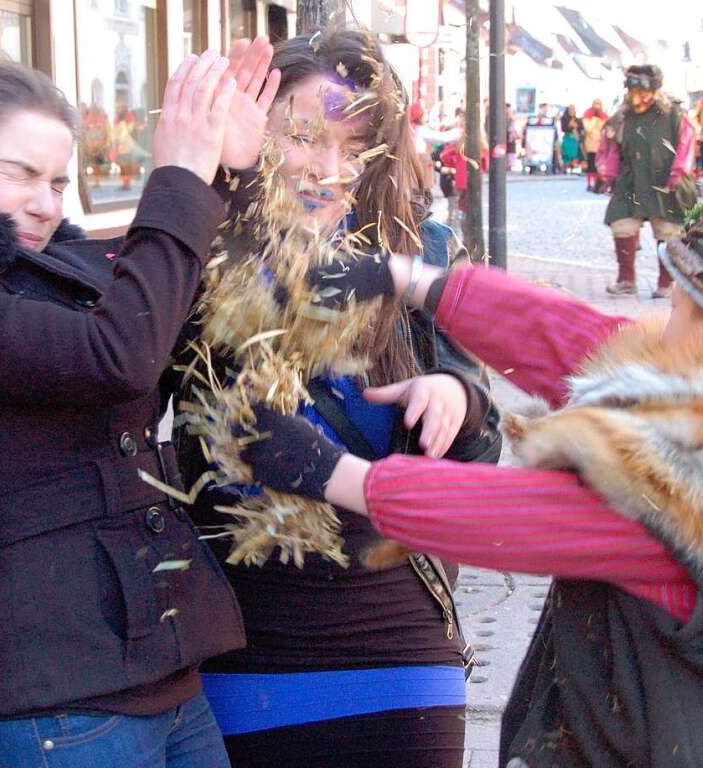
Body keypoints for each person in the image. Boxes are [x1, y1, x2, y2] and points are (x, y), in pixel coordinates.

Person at [237, 172, 703, 768]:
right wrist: (411, 281)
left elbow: (524, 518)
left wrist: (332, 472)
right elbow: (590, 344)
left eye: (676, 311)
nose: (661, 330)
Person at [0, 43, 281, 768]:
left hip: (159, 672)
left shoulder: (50, 264)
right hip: (53, 699)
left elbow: (166, 323)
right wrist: (179, 175)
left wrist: (223, 171)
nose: (44, 202)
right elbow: (119, 356)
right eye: (19, 173)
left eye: (60, 182)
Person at [173, 31, 501, 768]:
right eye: (302, 137)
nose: (327, 169)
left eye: (354, 147)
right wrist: (196, 185)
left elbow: (485, 446)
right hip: (248, 655)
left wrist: (458, 395)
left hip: (401, 657)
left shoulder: (422, 253)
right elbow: (128, 383)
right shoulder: (195, 251)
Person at [598, 64, 696, 299]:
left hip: (666, 179)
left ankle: (666, 283)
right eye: (634, 93)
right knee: (621, 223)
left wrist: (679, 172)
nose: (638, 99)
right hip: (630, 179)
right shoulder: (622, 115)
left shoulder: (673, 114)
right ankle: (626, 280)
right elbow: (610, 146)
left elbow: (686, 143)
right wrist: (608, 173)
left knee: (669, 230)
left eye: (643, 93)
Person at [582, 98, 608, 192]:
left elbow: (605, 128)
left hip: (601, 144)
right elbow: (588, 128)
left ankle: (598, 184)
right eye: (596, 103)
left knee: (600, 165)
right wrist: (594, 119)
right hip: (591, 144)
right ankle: (589, 183)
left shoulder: (604, 116)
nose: (597, 106)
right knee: (591, 164)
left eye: (599, 104)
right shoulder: (588, 115)